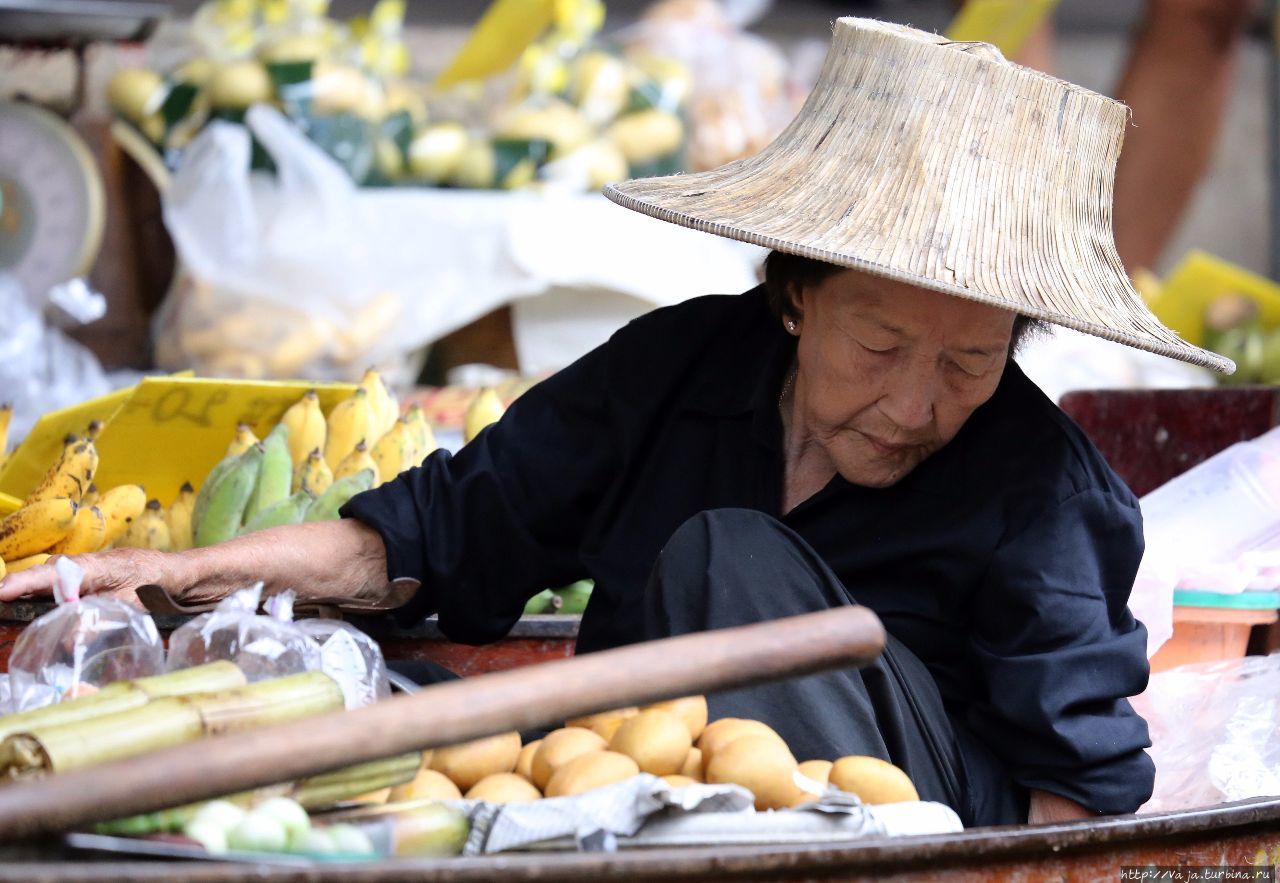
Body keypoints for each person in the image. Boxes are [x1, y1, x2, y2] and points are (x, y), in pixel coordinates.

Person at [0, 18, 1233, 827]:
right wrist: (174, 573)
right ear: (795, 298)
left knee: (726, 559)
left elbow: (1076, 792)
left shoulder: (1040, 488)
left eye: (966, 362)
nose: (915, 405)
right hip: (639, 785)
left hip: (892, 821)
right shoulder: (675, 368)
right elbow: (425, 532)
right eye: (878, 345)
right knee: (370, 680)